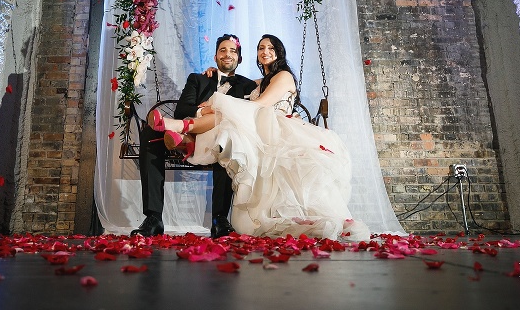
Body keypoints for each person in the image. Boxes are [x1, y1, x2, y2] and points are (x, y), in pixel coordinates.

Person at [151, 34, 370, 241]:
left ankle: (185, 133)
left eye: (271, 48)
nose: (265, 51)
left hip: (278, 129)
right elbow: (241, 88)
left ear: (279, 52)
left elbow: (259, 104)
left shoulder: (283, 76)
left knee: (229, 118)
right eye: (261, 48)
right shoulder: (260, 81)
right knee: (229, 123)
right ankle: (187, 137)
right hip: (261, 128)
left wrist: (217, 105)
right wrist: (213, 73)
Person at [132, 34, 258, 239]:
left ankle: (219, 219)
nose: (227, 54)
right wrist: (202, 112)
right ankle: (153, 218)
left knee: (228, 140)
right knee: (149, 133)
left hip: (220, 139)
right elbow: (182, 109)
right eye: (222, 50)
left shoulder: (248, 86)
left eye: (233, 51)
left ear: (240, 58)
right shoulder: (199, 79)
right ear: (215, 57)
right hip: (190, 132)